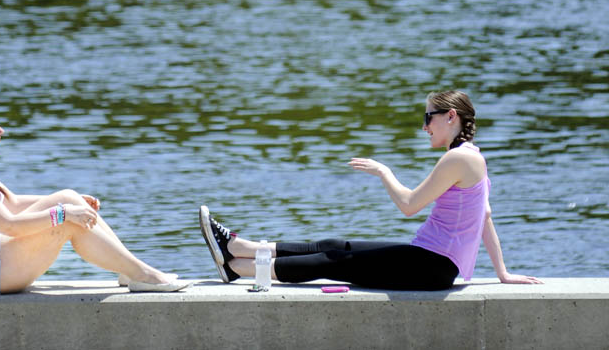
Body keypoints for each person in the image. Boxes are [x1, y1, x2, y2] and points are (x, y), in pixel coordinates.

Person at [200, 90, 542, 291]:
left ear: (450, 116)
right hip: (430, 262)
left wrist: (384, 171)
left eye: (428, 118)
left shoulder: (458, 160)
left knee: (337, 261)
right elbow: (484, 218)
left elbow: (409, 205)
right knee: (336, 247)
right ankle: (239, 249)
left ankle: (241, 267)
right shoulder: (472, 159)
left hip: (431, 267)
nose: (424, 127)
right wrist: (503, 274)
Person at [0, 101, 190, 294]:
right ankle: (143, 275)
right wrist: (63, 213)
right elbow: (8, 224)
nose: (1, 132)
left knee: (67, 196)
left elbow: (12, 204)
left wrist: (71, 202)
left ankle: (129, 270)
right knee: (64, 219)